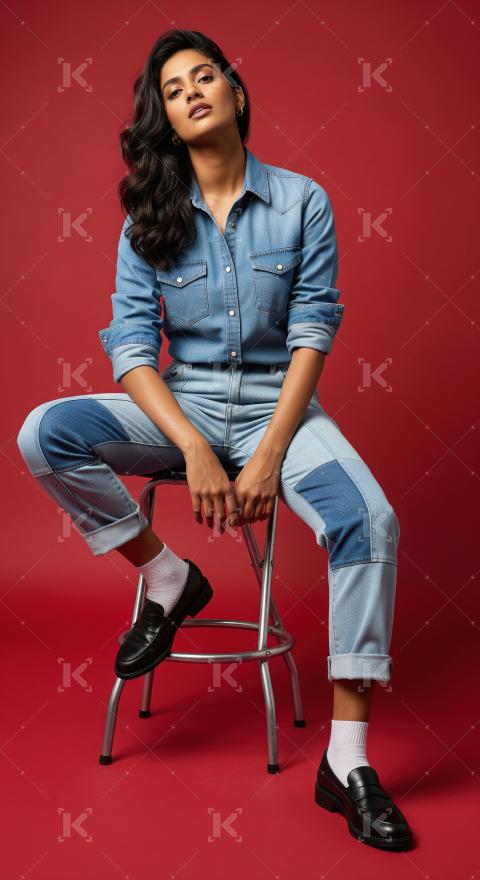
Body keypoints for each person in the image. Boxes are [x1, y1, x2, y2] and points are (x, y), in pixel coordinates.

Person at [16, 29, 413, 850]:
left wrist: (267, 450)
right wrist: (195, 449)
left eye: (206, 76)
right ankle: (169, 578)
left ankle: (347, 763)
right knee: (43, 433)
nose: (193, 90)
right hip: (183, 405)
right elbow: (131, 349)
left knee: (370, 521)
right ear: (163, 116)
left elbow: (312, 331)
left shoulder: (304, 200)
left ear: (235, 93)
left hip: (284, 409)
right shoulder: (145, 219)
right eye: (173, 87)